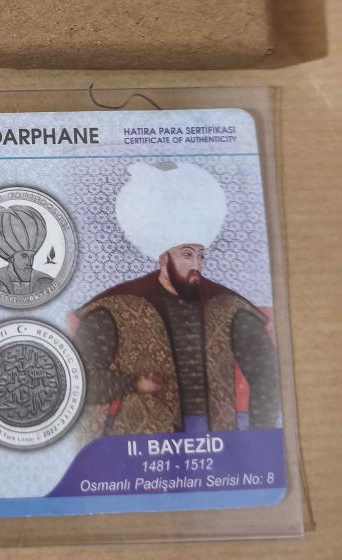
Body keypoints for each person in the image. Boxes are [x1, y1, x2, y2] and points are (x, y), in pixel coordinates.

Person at [70, 162, 280, 441]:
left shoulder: (228, 307)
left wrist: (260, 439)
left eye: (201, 255)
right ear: (163, 259)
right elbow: (77, 379)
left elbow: (267, 375)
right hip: (141, 442)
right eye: (187, 255)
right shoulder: (116, 308)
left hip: (216, 440)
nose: (196, 266)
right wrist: (133, 383)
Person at [0, 205, 54, 296]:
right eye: (24, 256)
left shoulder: (46, 282)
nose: (29, 262)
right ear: (11, 259)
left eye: (32, 256)